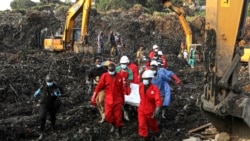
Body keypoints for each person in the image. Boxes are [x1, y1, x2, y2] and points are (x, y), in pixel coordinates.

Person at [91, 63, 129, 138]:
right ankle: (113, 125)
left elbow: (121, 89)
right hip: (108, 100)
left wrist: (123, 99)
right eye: (109, 70)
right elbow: (99, 87)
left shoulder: (119, 77)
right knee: (108, 116)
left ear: (115, 69)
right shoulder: (104, 76)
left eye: (112, 70)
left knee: (118, 117)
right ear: (108, 69)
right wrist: (94, 96)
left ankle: (119, 131)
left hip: (117, 100)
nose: (111, 71)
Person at [33, 73, 63, 140]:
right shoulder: (44, 85)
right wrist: (36, 93)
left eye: (50, 82)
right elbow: (38, 91)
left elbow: (61, 93)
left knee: (53, 118)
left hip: (53, 104)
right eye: (48, 82)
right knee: (42, 117)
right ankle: (41, 132)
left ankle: (53, 127)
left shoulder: (56, 86)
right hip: (44, 103)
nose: (49, 83)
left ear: (53, 81)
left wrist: (58, 93)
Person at [138, 70, 162, 140]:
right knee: (142, 125)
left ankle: (156, 133)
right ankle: (145, 137)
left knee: (153, 125)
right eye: (144, 78)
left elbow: (158, 100)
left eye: (147, 79)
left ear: (151, 79)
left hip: (150, 111)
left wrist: (157, 108)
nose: (145, 80)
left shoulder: (154, 88)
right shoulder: (141, 86)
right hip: (141, 109)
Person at [87, 58, 107, 123]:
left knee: (101, 101)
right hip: (96, 88)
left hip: (102, 88)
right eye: (98, 61)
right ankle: (103, 116)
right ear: (95, 62)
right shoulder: (92, 70)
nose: (99, 62)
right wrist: (88, 83)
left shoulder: (104, 70)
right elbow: (88, 78)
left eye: (100, 61)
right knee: (97, 102)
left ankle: (105, 113)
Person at [116, 55, 133, 121]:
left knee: (125, 101)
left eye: (125, 64)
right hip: (117, 86)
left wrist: (127, 90)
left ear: (127, 63)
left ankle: (126, 113)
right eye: (122, 64)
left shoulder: (129, 71)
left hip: (125, 86)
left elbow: (129, 81)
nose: (123, 65)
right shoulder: (117, 69)